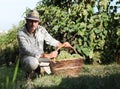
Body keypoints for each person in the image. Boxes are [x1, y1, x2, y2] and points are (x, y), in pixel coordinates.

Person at [17, 9, 72, 78]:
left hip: (42, 57)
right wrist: (48, 55)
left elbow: (50, 40)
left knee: (51, 69)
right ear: (27, 21)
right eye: (31, 21)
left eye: (35, 21)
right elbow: (28, 50)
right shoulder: (21, 34)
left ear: (38, 22)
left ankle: (39, 71)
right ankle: (30, 72)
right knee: (32, 63)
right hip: (28, 58)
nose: (33, 24)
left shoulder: (41, 30)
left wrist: (62, 45)